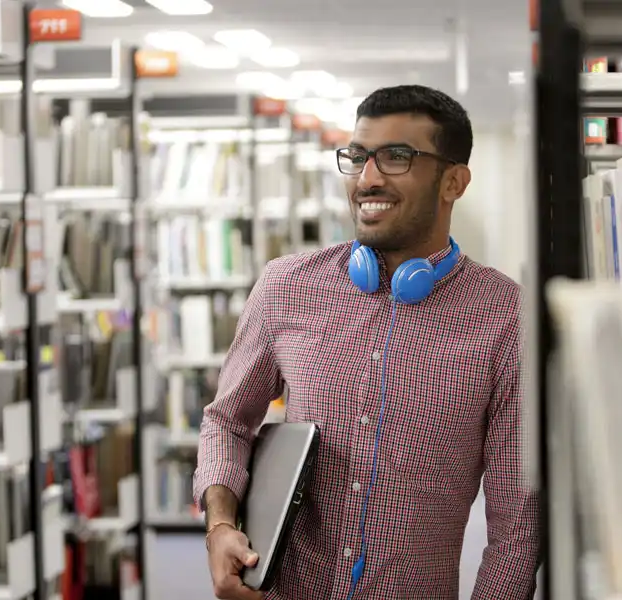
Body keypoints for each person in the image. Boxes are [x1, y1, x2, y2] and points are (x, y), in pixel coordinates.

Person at [195, 84, 539, 600]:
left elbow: (518, 520)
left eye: (396, 157)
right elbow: (227, 421)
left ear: (454, 182)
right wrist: (220, 526)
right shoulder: (287, 285)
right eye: (358, 157)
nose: (367, 178)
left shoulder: (507, 316)